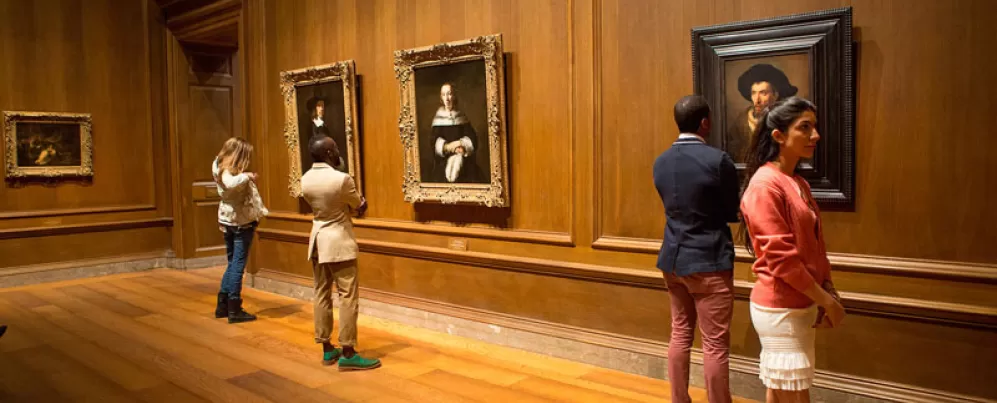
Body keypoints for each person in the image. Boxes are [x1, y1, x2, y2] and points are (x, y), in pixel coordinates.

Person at [739, 97, 845, 403]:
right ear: (778, 136)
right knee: (794, 393)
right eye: (805, 127)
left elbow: (815, 246)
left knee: (785, 388)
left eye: (815, 127)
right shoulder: (765, 185)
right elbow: (782, 261)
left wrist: (828, 288)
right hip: (781, 306)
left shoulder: (796, 181)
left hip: (800, 301)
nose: (815, 135)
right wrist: (828, 300)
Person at [652, 95, 740, 403]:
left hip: (673, 259)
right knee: (715, 345)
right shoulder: (718, 160)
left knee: (680, 334)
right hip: (709, 260)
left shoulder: (660, 161)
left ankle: (679, 400)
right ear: (705, 122)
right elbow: (733, 211)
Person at [300, 136, 381, 371]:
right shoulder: (341, 179)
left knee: (321, 294)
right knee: (347, 295)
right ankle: (348, 351)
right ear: (327, 153)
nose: (337, 152)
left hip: (317, 240)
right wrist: (358, 204)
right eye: (334, 149)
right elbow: (359, 205)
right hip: (338, 242)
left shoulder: (305, 179)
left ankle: (327, 349)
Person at [212, 137, 269, 324]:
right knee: (237, 265)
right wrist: (249, 176)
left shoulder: (217, 165)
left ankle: (223, 304)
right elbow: (230, 183)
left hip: (227, 219)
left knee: (231, 263)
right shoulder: (229, 174)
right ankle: (234, 308)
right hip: (239, 221)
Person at [727, 64, 798, 163]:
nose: (757, 100)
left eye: (763, 93)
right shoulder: (740, 124)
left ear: (775, 95)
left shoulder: (786, 120)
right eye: (753, 93)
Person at [430, 83, 479, 183]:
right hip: (444, 161)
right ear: (441, 98)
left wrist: (461, 145)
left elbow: (473, 138)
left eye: (449, 94)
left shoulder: (461, 116)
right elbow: (432, 142)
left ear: (454, 96)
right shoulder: (438, 118)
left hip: (463, 159)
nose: (447, 98)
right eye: (444, 95)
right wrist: (448, 147)